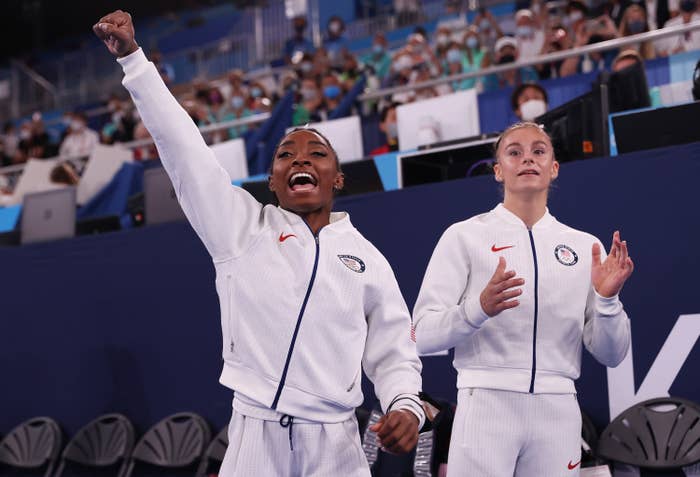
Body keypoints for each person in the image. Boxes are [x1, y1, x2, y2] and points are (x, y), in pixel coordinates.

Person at [93, 10, 425, 476]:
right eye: (286, 154)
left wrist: (405, 405)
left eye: (316, 153)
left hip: (338, 445)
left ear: (338, 178)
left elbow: (395, 351)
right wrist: (134, 62)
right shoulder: (240, 228)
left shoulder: (368, 260)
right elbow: (184, 150)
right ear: (272, 180)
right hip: (256, 438)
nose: (299, 159)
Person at [413, 122, 633, 477]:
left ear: (554, 167)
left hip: (558, 410)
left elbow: (612, 353)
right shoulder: (464, 236)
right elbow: (421, 334)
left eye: (538, 151)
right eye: (514, 152)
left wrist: (608, 302)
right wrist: (477, 310)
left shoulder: (585, 247)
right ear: (499, 170)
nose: (527, 158)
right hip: (485, 405)